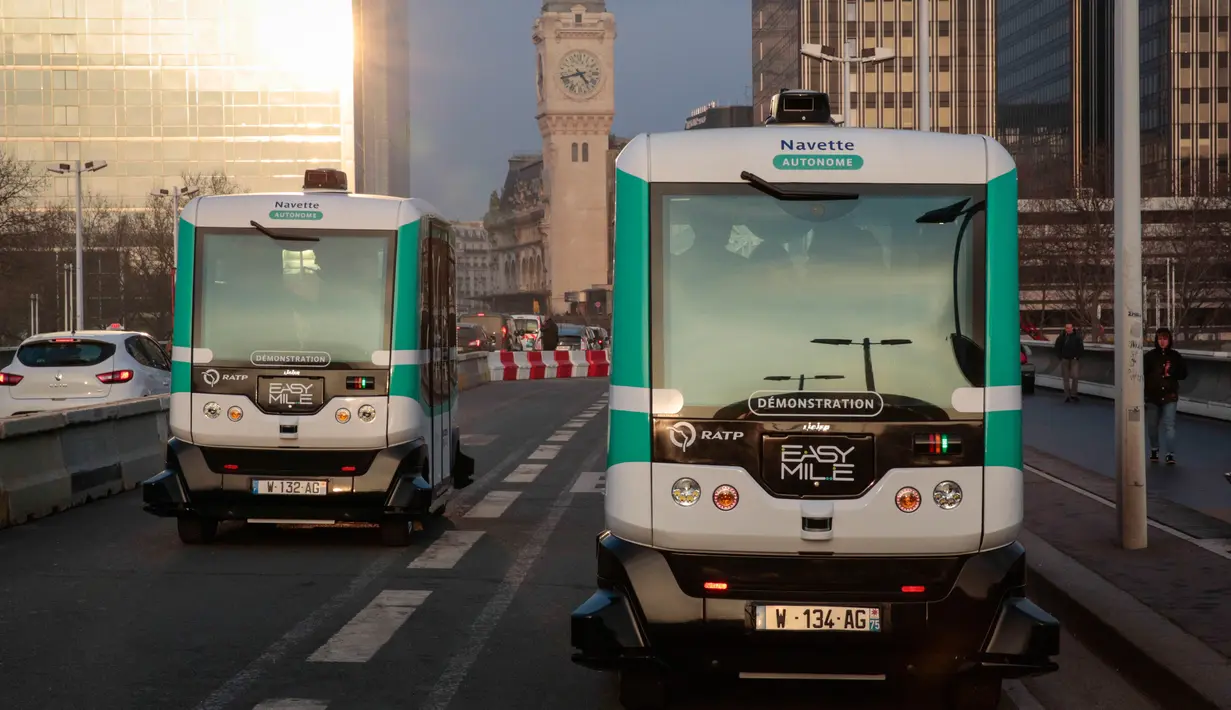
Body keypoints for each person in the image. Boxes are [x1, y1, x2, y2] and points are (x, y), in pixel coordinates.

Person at [1143, 327, 1187, 465]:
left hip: (1169, 395)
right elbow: (1142, 373)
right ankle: (1154, 449)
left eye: (1165, 339)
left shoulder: (1175, 356)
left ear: (1169, 340)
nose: (1163, 342)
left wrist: (1172, 372)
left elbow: (1184, 374)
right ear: (1157, 340)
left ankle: (1170, 454)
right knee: (1152, 426)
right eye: (1160, 339)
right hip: (1152, 396)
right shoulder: (1149, 357)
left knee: (1169, 425)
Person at [1053, 323, 1084, 402]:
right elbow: (1057, 347)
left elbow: (1081, 348)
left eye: (1070, 328)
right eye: (1067, 328)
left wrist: (1077, 357)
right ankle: (1067, 395)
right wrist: (1060, 356)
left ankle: (1074, 394)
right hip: (1065, 359)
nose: (1068, 329)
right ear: (1065, 329)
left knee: (1075, 376)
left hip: (1074, 359)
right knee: (1065, 378)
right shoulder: (1061, 337)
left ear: (1072, 328)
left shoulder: (1077, 337)